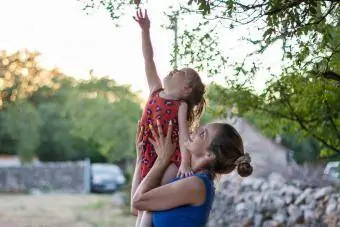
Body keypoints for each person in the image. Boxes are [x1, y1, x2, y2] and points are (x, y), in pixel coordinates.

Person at [131, 9, 206, 226]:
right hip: (148, 154)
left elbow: (184, 136)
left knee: (152, 201)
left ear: (185, 88)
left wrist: (184, 163)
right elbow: (148, 59)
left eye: (181, 72)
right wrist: (145, 30)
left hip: (170, 158)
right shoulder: (155, 90)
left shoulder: (180, 105)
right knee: (140, 206)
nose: (174, 70)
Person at [132, 120, 253, 227]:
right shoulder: (184, 176)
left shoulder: (197, 185)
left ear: (209, 155)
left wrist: (162, 159)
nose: (195, 131)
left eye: (202, 134)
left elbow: (139, 201)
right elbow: (137, 209)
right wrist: (141, 159)